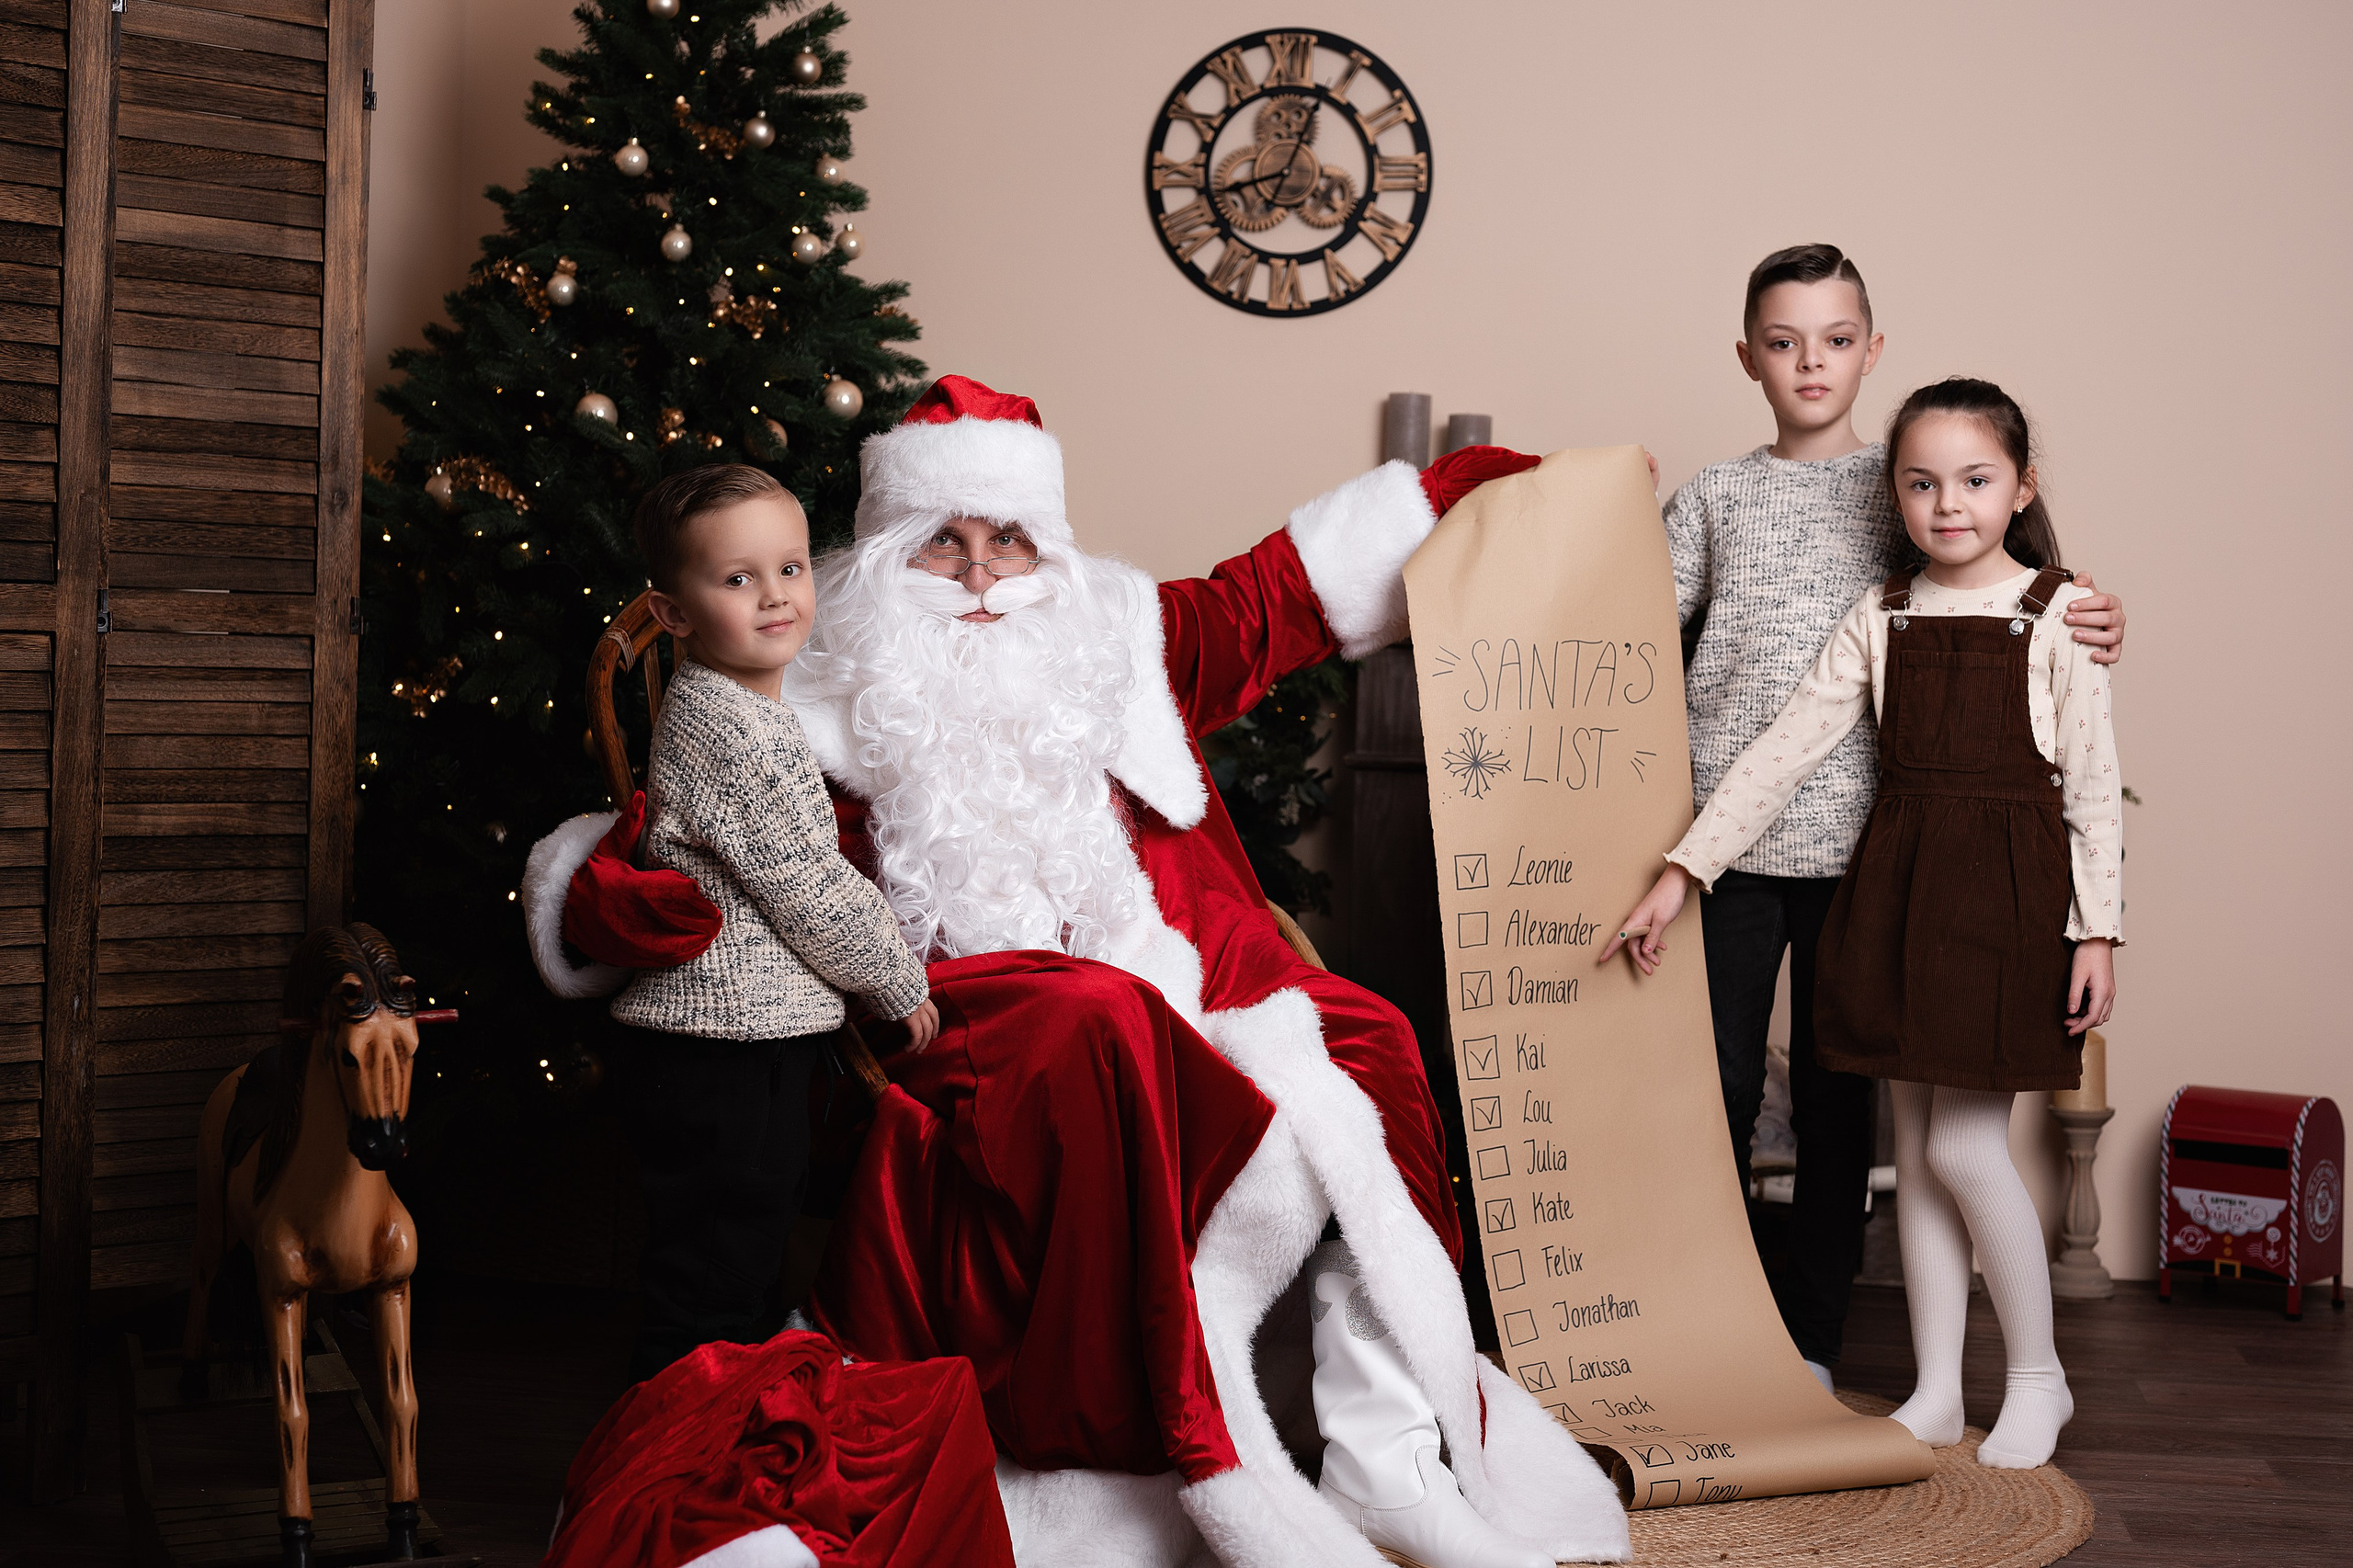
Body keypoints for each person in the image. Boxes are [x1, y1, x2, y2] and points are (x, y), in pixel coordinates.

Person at [529, 379, 1628, 1568]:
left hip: (1160, 967)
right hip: (955, 993)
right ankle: (1171, 1453)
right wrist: (596, 884)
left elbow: (1275, 601)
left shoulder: (1114, 632)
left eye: (1006, 538)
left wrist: (1439, 503)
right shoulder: (821, 658)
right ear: (888, 549)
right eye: (945, 542)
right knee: (1095, 1026)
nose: (984, 571)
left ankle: (1390, 1451)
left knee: (1363, 1036)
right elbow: (720, 822)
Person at [1608, 377, 2120, 1469]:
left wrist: (2096, 932)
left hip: (2006, 902)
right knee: (1929, 1159)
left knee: (1961, 1143)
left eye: (1976, 481)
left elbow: (2090, 783)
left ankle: (2038, 1374)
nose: (1949, 504)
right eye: (1922, 483)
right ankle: (1937, 1388)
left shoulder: (2059, 610)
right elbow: (1783, 751)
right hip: (1904, 895)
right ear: (1894, 494)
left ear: (2020, 487)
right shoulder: (1881, 610)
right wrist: (1682, 871)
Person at [597, 465, 938, 1380]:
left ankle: (722, 1448)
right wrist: (895, 975)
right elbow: (804, 881)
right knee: (711, 1270)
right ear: (673, 614)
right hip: (720, 1048)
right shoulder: (726, 727)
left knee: (746, 1256)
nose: (777, 595)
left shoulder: (749, 700)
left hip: (757, 1038)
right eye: (738, 579)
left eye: (790, 567)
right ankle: (658, 1477)